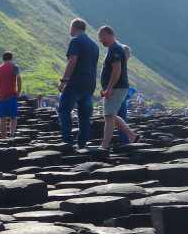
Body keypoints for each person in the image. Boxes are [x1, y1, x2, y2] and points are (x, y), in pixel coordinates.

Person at [57, 18, 99, 150]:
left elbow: (72, 61)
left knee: (64, 108)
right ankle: (82, 143)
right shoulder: (94, 44)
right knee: (84, 114)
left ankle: (67, 140)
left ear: (73, 28)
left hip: (76, 81)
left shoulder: (75, 41)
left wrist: (64, 80)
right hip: (90, 81)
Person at [97, 26, 139, 149]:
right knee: (112, 115)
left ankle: (105, 145)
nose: (100, 41)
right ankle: (132, 136)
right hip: (118, 87)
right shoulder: (117, 47)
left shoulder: (115, 49)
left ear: (105, 35)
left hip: (117, 87)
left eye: (100, 38)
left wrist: (109, 88)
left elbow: (117, 70)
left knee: (109, 115)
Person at [0, 51, 22, 138]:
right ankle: (12, 133)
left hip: (0, 96)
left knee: (2, 118)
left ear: (3, 58)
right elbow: (18, 77)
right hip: (11, 95)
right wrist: (19, 91)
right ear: (11, 58)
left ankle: (3, 138)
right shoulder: (14, 67)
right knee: (13, 116)